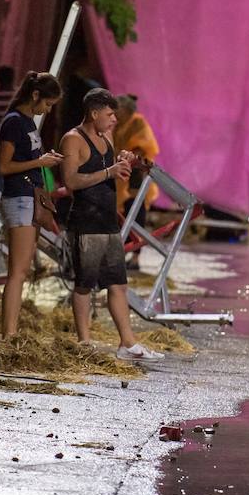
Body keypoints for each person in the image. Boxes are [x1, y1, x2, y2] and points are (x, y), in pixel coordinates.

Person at [59, 89, 164, 361]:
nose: (114, 120)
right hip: (86, 222)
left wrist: (121, 162)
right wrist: (109, 171)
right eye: (109, 114)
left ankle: (127, 343)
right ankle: (84, 343)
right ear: (94, 114)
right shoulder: (73, 139)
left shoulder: (106, 136)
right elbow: (70, 181)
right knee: (85, 284)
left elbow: (107, 170)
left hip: (107, 220)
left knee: (118, 284)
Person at [0, 72, 63, 337]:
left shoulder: (26, 122)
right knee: (18, 271)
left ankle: (11, 330)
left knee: (21, 269)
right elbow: (3, 166)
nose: (47, 110)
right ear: (35, 95)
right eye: (47, 104)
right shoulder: (14, 122)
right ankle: (9, 333)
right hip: (19, 198)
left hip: (29, 198)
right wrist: (40, 162)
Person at [114, 94, 160, 272]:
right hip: (122, 175)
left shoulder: (137, 122)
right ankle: (123, 252)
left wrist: (124, 155)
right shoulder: (118, 125)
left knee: (136, 216)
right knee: (122, 216)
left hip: (137, 177)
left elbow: (142, 147)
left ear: (125, 110)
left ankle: (135, 256)